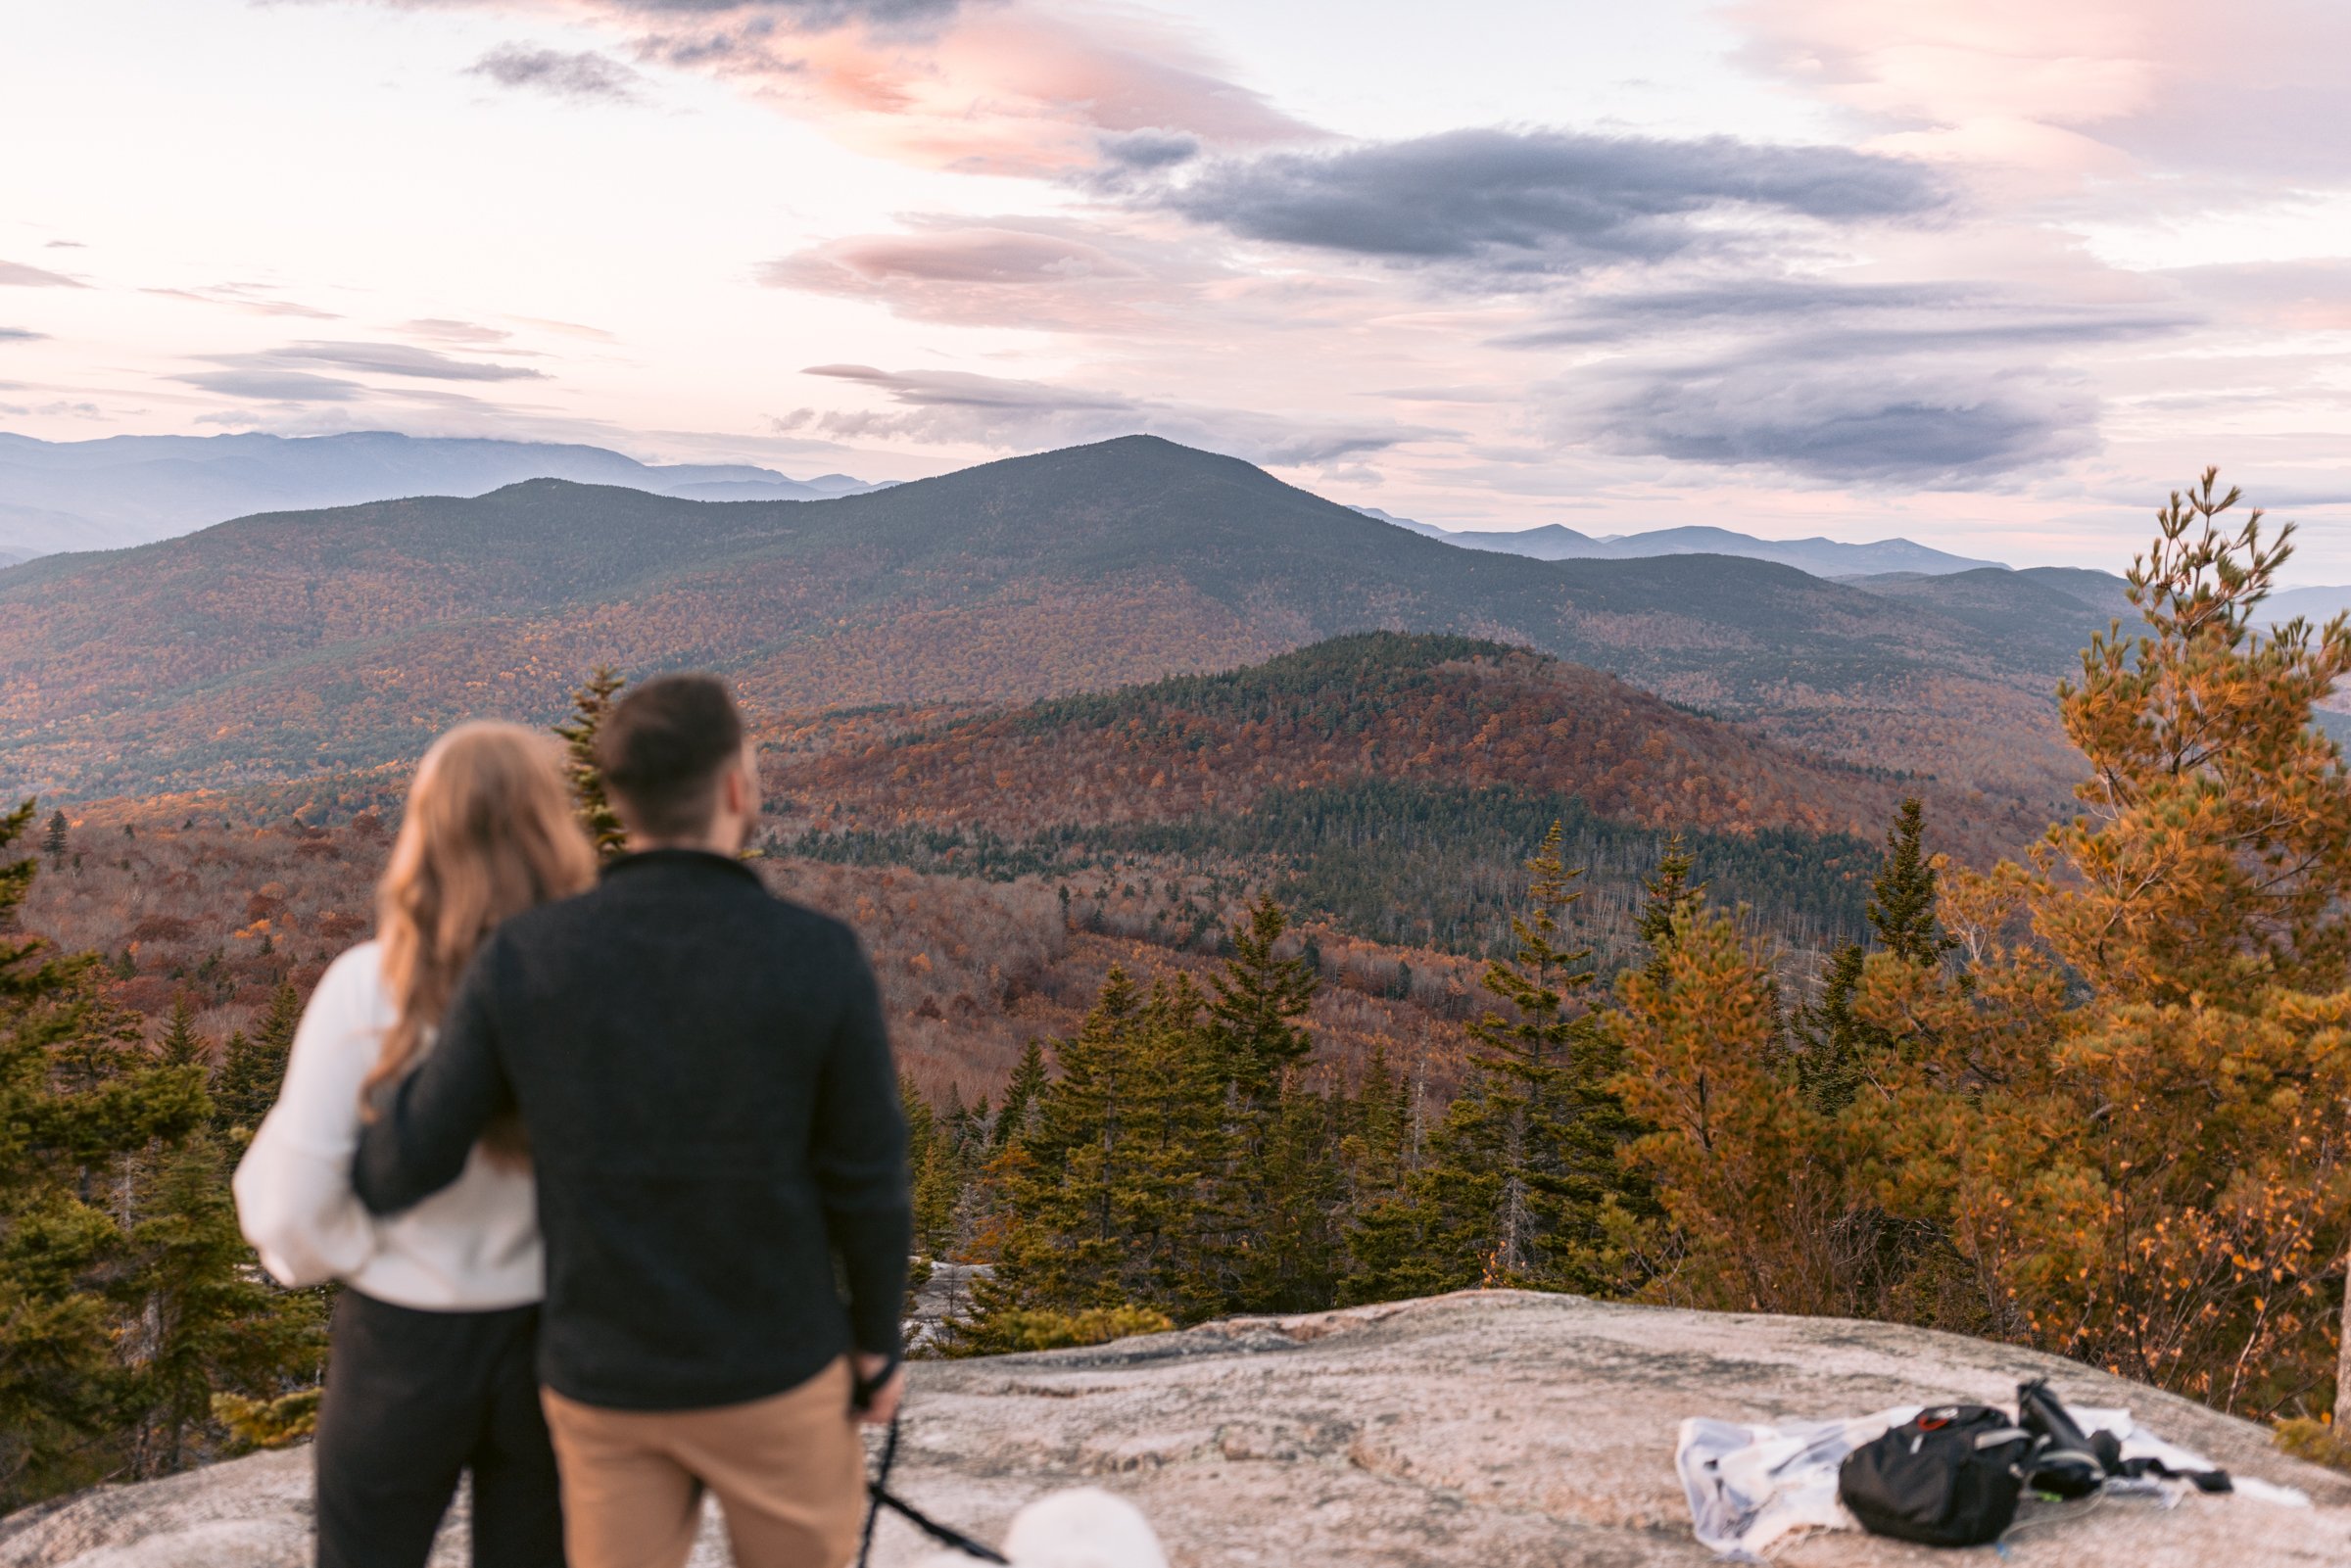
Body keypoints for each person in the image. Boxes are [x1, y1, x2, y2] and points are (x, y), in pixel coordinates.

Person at [353, 674, 911, 1568]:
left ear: (614, 796)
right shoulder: (817, 955)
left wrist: (371, 1066)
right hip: (778, 1369)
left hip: (605, 1382)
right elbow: (868, 1176)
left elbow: (400, 1168)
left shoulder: (527, 958)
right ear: (737, 788)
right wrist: (877, 1344)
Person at [236, 722, 599, 1568]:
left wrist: (368, 1255)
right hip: (556, 1341)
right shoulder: (596, 983)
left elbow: (291, 1208)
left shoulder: (370, 987)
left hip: (400, 1343)